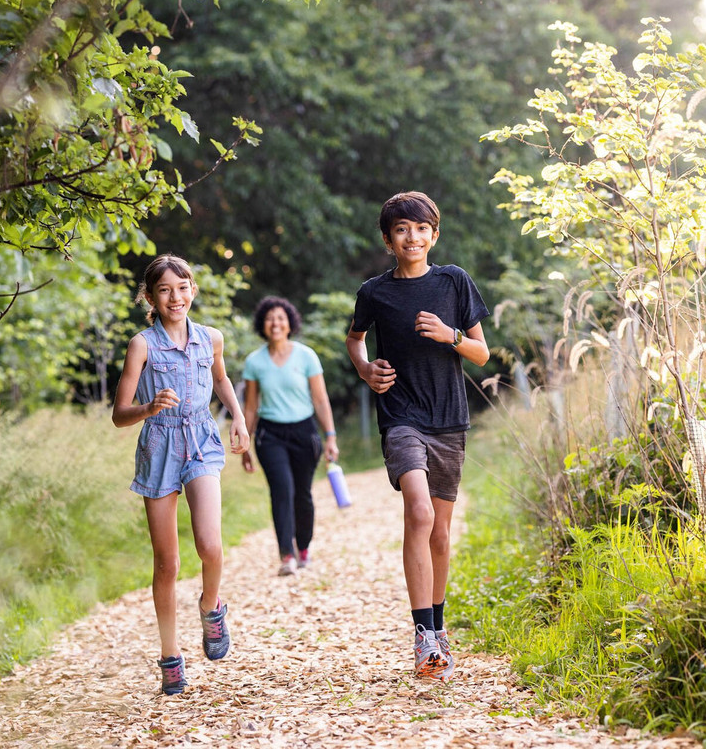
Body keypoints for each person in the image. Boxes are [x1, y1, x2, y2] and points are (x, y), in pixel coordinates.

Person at [345, 191, 489, 681]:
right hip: (401, 416)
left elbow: (482, 353)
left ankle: (439, 628)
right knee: (420, 513)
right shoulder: (375, 292)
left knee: (441, 534)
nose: (413, 236)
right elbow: (355, 339)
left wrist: (451, 335)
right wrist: (365, 369)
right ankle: (423, 634)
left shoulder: (454, 282)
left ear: (434, 234)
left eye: (421, 228)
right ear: (389, 240)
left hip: (448, 419)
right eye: (402, 229)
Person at [112, 254, 250, 696]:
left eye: (183, 287)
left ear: (193, 290)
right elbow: (119, 414)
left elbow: (221, 380)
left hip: (202, 441)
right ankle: (170, 656)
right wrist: (149, 407)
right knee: (167, 563)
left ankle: (211, 606)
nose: (176, 297)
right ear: (150, 297)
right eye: (165, 290)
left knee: (210, 545)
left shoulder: (211, 338)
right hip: (159, 447)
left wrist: (238, 418)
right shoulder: (142, 345)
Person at [240, 297, 339, 576]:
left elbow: (320, 400)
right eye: (270, 318)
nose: (275, 323)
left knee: (302, 494)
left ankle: (303, 546)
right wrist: (245, 444)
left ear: (290, 323)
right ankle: (286, 554)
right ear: (262, 324)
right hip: (270, 434)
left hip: (304, 432)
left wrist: (330, 436)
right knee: (282, 490)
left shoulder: (306, 356)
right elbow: (251, 406)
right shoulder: (254, 362)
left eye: (281, 318)